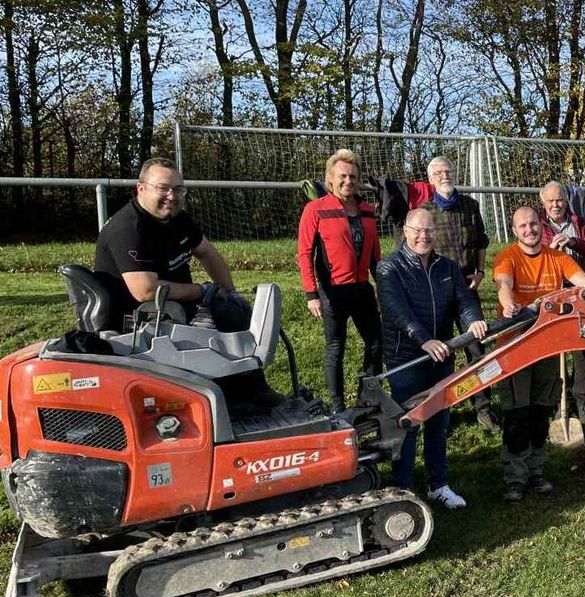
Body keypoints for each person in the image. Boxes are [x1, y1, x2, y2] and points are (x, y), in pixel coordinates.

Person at [94, 157, 282, 410]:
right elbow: (145, 290)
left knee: (233, 307)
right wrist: (202, 291)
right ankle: (240, 397)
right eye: (163, 188)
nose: (171, 196)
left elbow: (207, 253)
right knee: (224, 314)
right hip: (141, 318)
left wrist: (229, 290)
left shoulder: (177, 219)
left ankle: (246, 391)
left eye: (178, 189)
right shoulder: (128, 229)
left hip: (174, 305)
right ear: (141, 188)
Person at [493, 206, 585, 502]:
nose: (529, 230)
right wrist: (508, 305)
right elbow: (504, 284)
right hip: (515, 345)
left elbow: (583, 282)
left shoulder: (556, 257)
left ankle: (537, 471)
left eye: (533, 224)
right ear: (514, 230)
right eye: (523, 226)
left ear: (539, 227)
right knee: (518, 413)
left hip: (545, 346)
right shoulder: (507, 257)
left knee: (541, 410)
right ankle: (515, 479)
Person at [376, 208, 487, 509]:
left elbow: (464, 301)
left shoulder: (447, 267)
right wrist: (423, 340)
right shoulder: (389, 268)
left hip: (442, 355)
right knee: (408, 424)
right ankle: (403, 488)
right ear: (405, 231)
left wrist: (473, 319)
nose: (423, 236)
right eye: (417, 230)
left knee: (439, 422)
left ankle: (439, 484)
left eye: (429, 231)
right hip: (406, 358)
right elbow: (397, 310)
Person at [297, 148, 383, 410]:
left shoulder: (367, 211)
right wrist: (312, 294)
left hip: (362, 290)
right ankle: (338, 407)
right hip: (333, 292)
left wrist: (383, 287)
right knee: (336, 348)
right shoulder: (316, 209)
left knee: (376, 343)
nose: (348, 181)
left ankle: (368, 397)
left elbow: (375, 255)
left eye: (353, 177)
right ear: (330, 179)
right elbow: (304, 253)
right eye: (343, 176)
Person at [420, 155, 499, 433]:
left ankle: (483, 407)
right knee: (441, 354)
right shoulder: (425, 212)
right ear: (430, 179)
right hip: (438, 294)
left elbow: (481, 242)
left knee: (477, 349)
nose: (445, 176)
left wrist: (479, 271)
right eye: (438, 172)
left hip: (468, 291)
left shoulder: (470, 206)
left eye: (448, 171)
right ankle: (441, 411)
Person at [540, 181, 585, 422]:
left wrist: (573, 242)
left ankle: (582, 398)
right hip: (552, 292)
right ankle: (559, 400)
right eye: (551, 201)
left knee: (581, 347)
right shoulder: (540, 224)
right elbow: (533, 252)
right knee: (555, 348)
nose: (556, 205)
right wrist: (550, 249)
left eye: (560, 200)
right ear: (543, 202)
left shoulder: (578, 222)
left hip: (579, 291)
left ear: (566, 200)